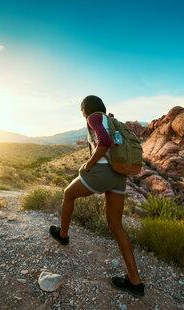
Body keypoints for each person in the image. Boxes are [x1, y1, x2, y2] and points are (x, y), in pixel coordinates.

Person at [49, 95, 145, 297]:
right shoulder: (111, 120)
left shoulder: (93, 117)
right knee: (116, 226)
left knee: (68, 194)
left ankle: (63, 235)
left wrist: (88, 165)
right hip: (119, 175)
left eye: (82, 109)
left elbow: (104, 142)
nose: (83, 113)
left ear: (86, 108)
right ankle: (135, 282)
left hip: (101, 173)